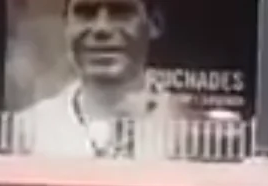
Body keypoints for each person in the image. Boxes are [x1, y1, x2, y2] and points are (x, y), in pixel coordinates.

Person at [14, 0, 188, 160]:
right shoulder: (29, 131)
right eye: (86, 13)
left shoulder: (186, 129)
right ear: (66, 24)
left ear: (154, 24)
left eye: (121, 12)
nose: (101, 28)